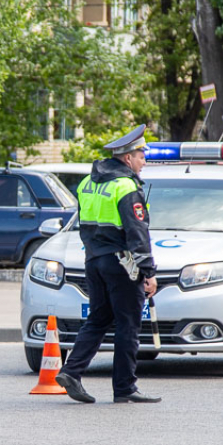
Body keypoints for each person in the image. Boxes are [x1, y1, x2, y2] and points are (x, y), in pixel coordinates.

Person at [55, 125, 161, 404]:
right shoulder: (126, 186)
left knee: (99, 318)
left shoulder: (87, 183)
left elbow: (86, 225)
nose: (144, 161)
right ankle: (125, 387)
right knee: (128, 323)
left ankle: (71, 371)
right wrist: (148, 272)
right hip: (122, 264)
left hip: (93, 261)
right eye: (141, 155)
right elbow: (137, 232)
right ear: (127, 158)